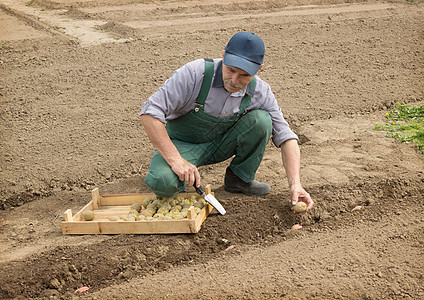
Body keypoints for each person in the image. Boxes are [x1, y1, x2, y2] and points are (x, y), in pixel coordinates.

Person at [139, 32, 313, 213]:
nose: (235, 80)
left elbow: (286, 137)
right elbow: (150, 113)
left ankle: (239, 178)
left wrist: (296, 185)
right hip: (183, 144)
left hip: (220, 143)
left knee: (261, 121)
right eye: (230, 70)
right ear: (223, 56)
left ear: (258, 69)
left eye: (244, 75)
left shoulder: (260, 91)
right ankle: (179, 181)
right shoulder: (194, 74)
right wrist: (176, 161)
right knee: (163, 182)